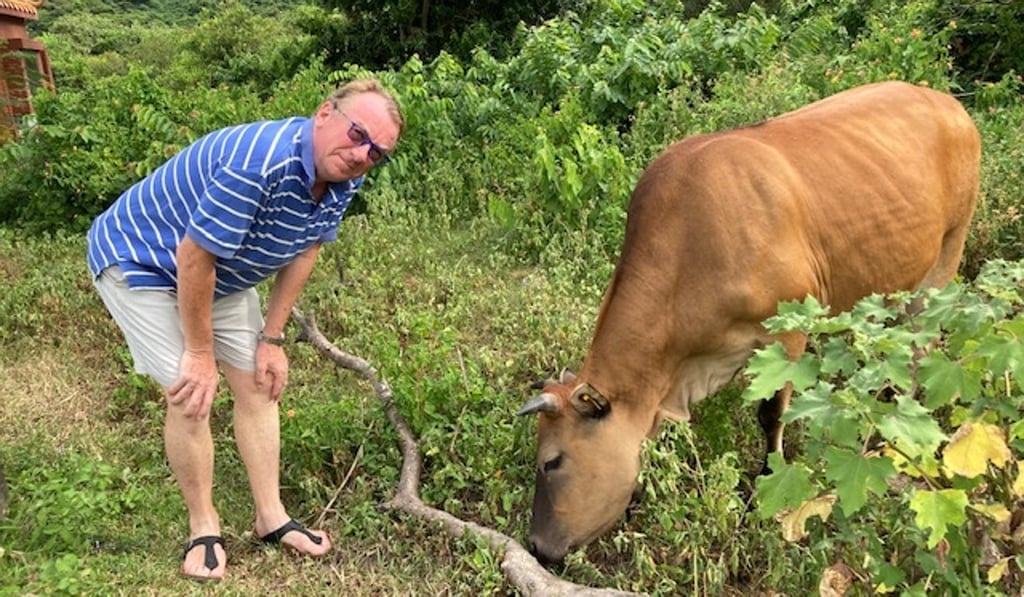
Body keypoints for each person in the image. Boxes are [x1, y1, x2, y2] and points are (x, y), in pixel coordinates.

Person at [86, 78, 403, 581]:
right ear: (325, 113)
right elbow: (193, 258)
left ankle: (270, 517)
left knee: (260, 383)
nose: (364, 153)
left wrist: (272, 338)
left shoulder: (347, 174)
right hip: (143, 261)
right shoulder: (259, 163)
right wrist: (199, 350)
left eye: (376, 151)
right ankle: (203, 526)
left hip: (221, 268)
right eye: (358, 133)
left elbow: (308, 246)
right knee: (192, 390)